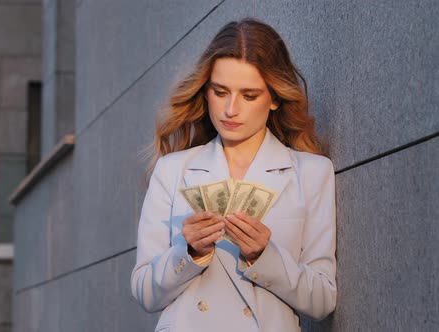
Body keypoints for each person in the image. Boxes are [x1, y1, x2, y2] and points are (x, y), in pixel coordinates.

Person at [131, 18, 336, 331]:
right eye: (220, 91)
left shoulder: (311, 172)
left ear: (275, 98)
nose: (230, 109)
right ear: (206, 91)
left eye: (249, 95)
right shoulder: (173, 170)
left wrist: (264, 256)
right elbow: (145, 291)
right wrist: (189, 253)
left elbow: (322, 299)